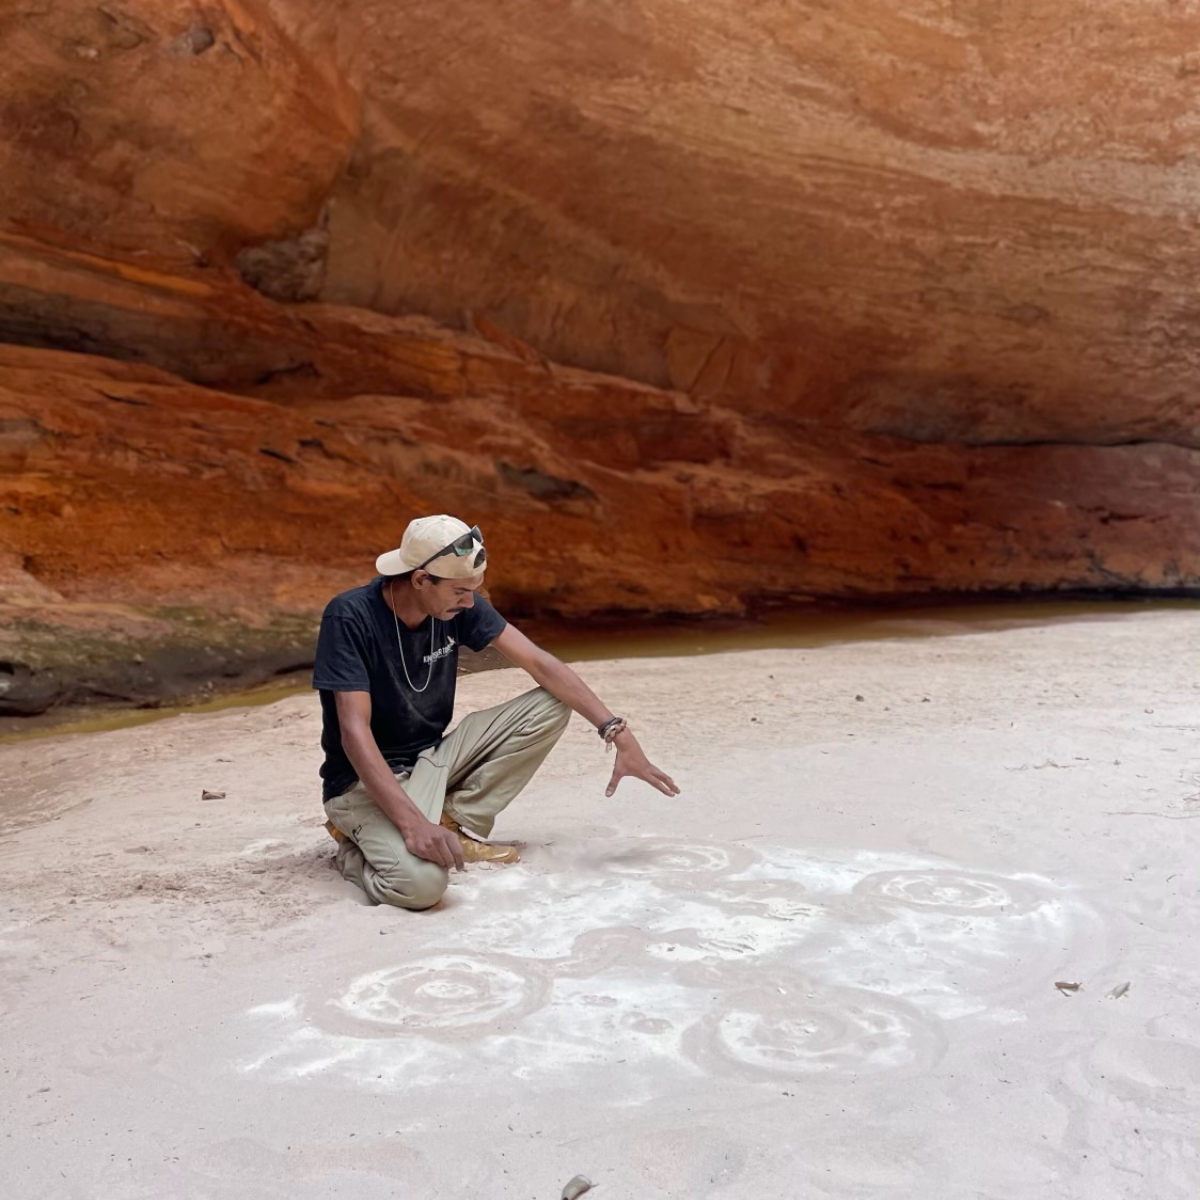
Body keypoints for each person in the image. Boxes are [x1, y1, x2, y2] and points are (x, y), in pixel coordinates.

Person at [314, 514, 679, 910]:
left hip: (431, 762)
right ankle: (352, 850)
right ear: (420, 580)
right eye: (459, 591)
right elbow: (354, 731)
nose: (470, 601)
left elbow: (540, 663)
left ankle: (450, 821)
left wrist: (618, 733)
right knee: (422, 887)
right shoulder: (350, 616)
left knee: (553, 702)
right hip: (361, 784)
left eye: (475, 589)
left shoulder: (456, 604)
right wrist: (412, 824)